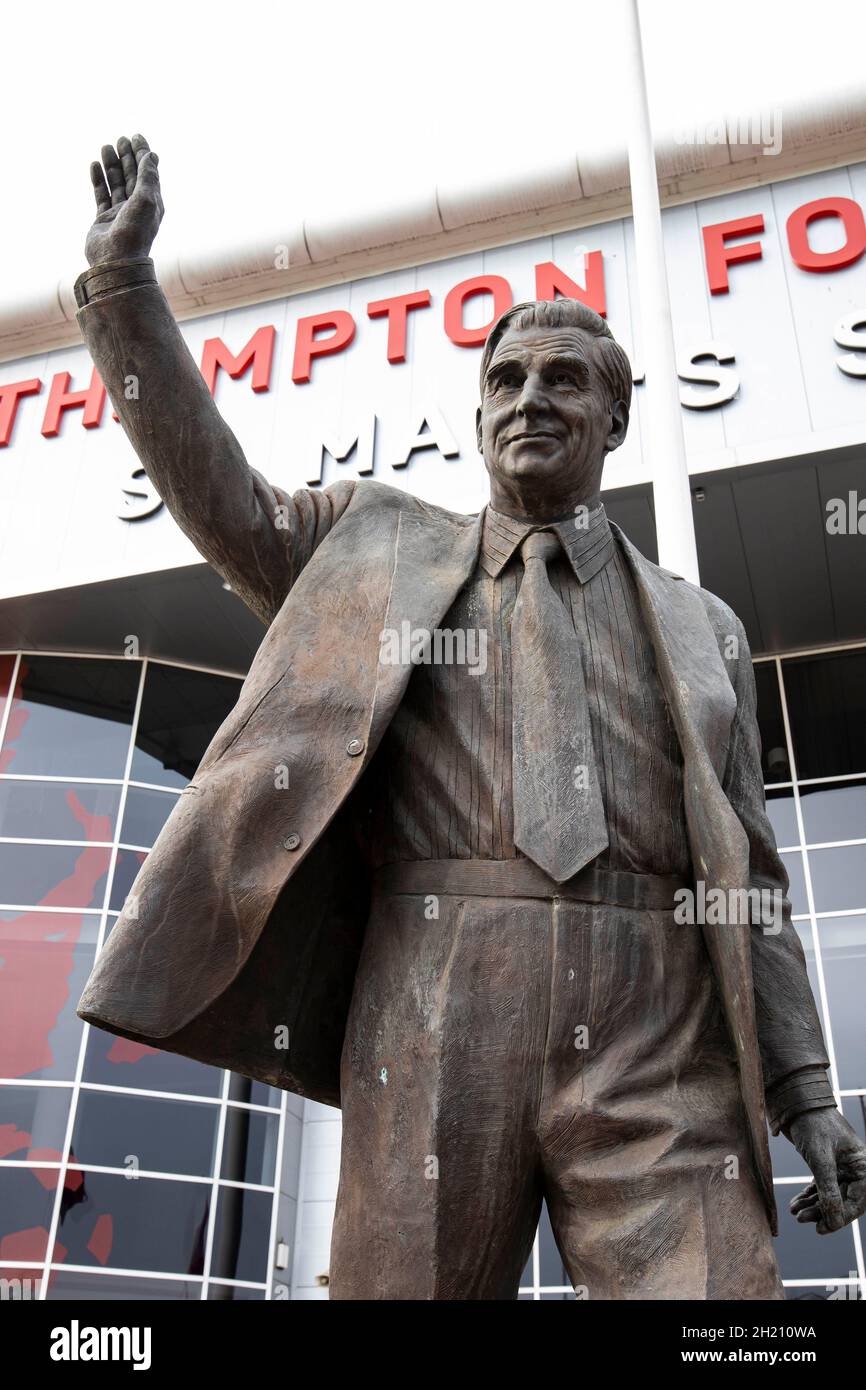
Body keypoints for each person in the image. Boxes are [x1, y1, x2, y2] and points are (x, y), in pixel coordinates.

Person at [76, 135, 866, 1299]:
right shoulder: (372, 548)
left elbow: (746, 873)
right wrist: (124, 292)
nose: (529, 400)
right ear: (476, 412)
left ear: (614, 416)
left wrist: (803, 1088)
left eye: (562, 380)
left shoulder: (703, 627)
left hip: (659, 1027)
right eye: (504, 381)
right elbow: (220, 495)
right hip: (435, 999)